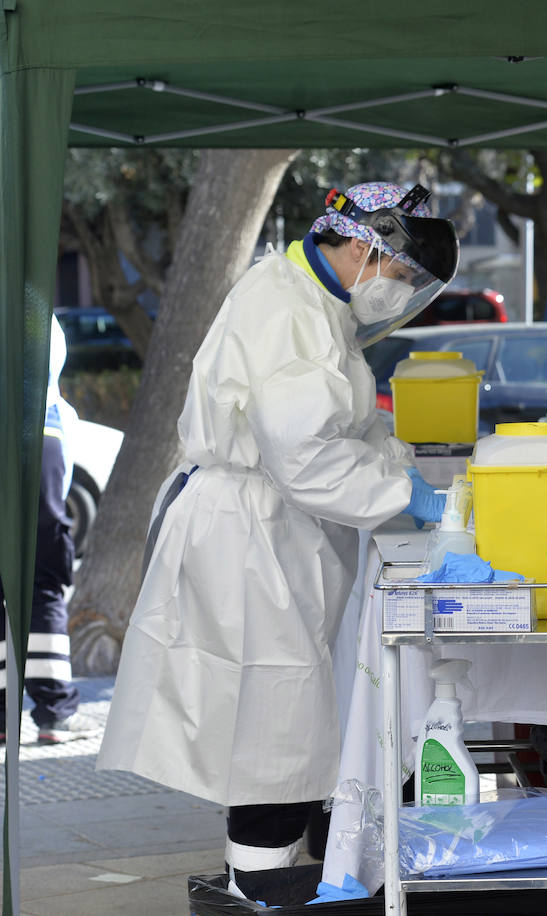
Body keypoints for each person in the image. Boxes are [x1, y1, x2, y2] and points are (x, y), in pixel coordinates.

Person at [97, 181, 457, 897]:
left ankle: (276, 881)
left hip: (275, 523)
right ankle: (255, 891)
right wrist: (404, 495)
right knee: (275, 727)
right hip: (247, 530)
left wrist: (405, 473)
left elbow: (344, 429)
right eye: (400, 273)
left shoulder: (313, 302)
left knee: (291, 722)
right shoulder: (289, 309)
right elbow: (308, 457)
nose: (400, 290)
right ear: (361, 246)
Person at [0, 317, 102, 745]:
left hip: (26, 433)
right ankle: (55, 711)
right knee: (43, 581)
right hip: (37, 433)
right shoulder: (30, 291)